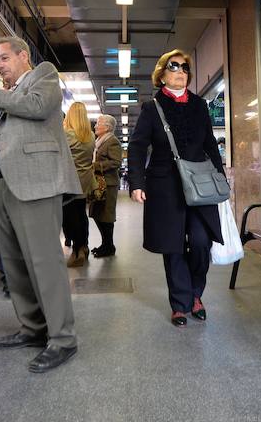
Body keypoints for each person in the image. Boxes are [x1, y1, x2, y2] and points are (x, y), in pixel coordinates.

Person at [0, 36, 82, 373]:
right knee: (15, 263)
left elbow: (40, 106)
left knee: (45, 262)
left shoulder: (43, 74)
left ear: (23, 55)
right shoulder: (7, 95)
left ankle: (63, 338)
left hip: (37, 183)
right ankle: (33, 327)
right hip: (3, 184)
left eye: (4, 58)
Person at [127, 49, 225, 327]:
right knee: (174, 246)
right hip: (164, 186)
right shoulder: (152, 107)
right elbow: (137, 146)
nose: (181, 71)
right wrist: (137, 183)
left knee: (201, 241)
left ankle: (196, 293)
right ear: (161, 75)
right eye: (174, 66)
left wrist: (220, 178)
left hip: (200, 185)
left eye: (184, 67)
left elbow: (210, 144)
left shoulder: (199, 105)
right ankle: (181, 304)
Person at [62, 102, 95, 267]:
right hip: (85, 180)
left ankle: (76, 250)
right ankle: (84, 247)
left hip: (70, 181)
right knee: (81, 214)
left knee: (70, 216)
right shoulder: (91, 136)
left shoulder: (67, 134)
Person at [89, 114, 123, 257]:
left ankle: (109, 246)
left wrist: (95, 166)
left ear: (107, 127)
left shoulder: (112, 141)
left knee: (106, 215)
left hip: (108, 184)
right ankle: (105, 244)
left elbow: (116, 162)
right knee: (97, 213)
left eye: (99, 123)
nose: (95, 126)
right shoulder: (98, 141)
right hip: (98, 183)